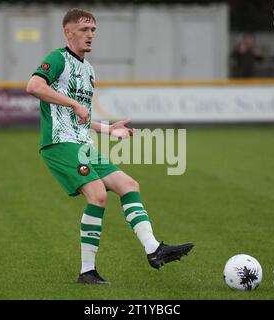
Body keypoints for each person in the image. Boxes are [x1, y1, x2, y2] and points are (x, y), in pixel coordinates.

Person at [26, 8, 194, 285]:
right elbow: (33, 86)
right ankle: (87, 271)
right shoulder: (57, 59)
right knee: (98, 195)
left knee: (129, 185)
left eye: (93, 30)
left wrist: (108, 129)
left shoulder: (89, 69)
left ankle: (154, 249)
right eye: (84, 30)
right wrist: (75, 103)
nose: (90, 35)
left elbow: (81, 118)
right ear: (68, 32)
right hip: (58, 143)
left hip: (80, 142)